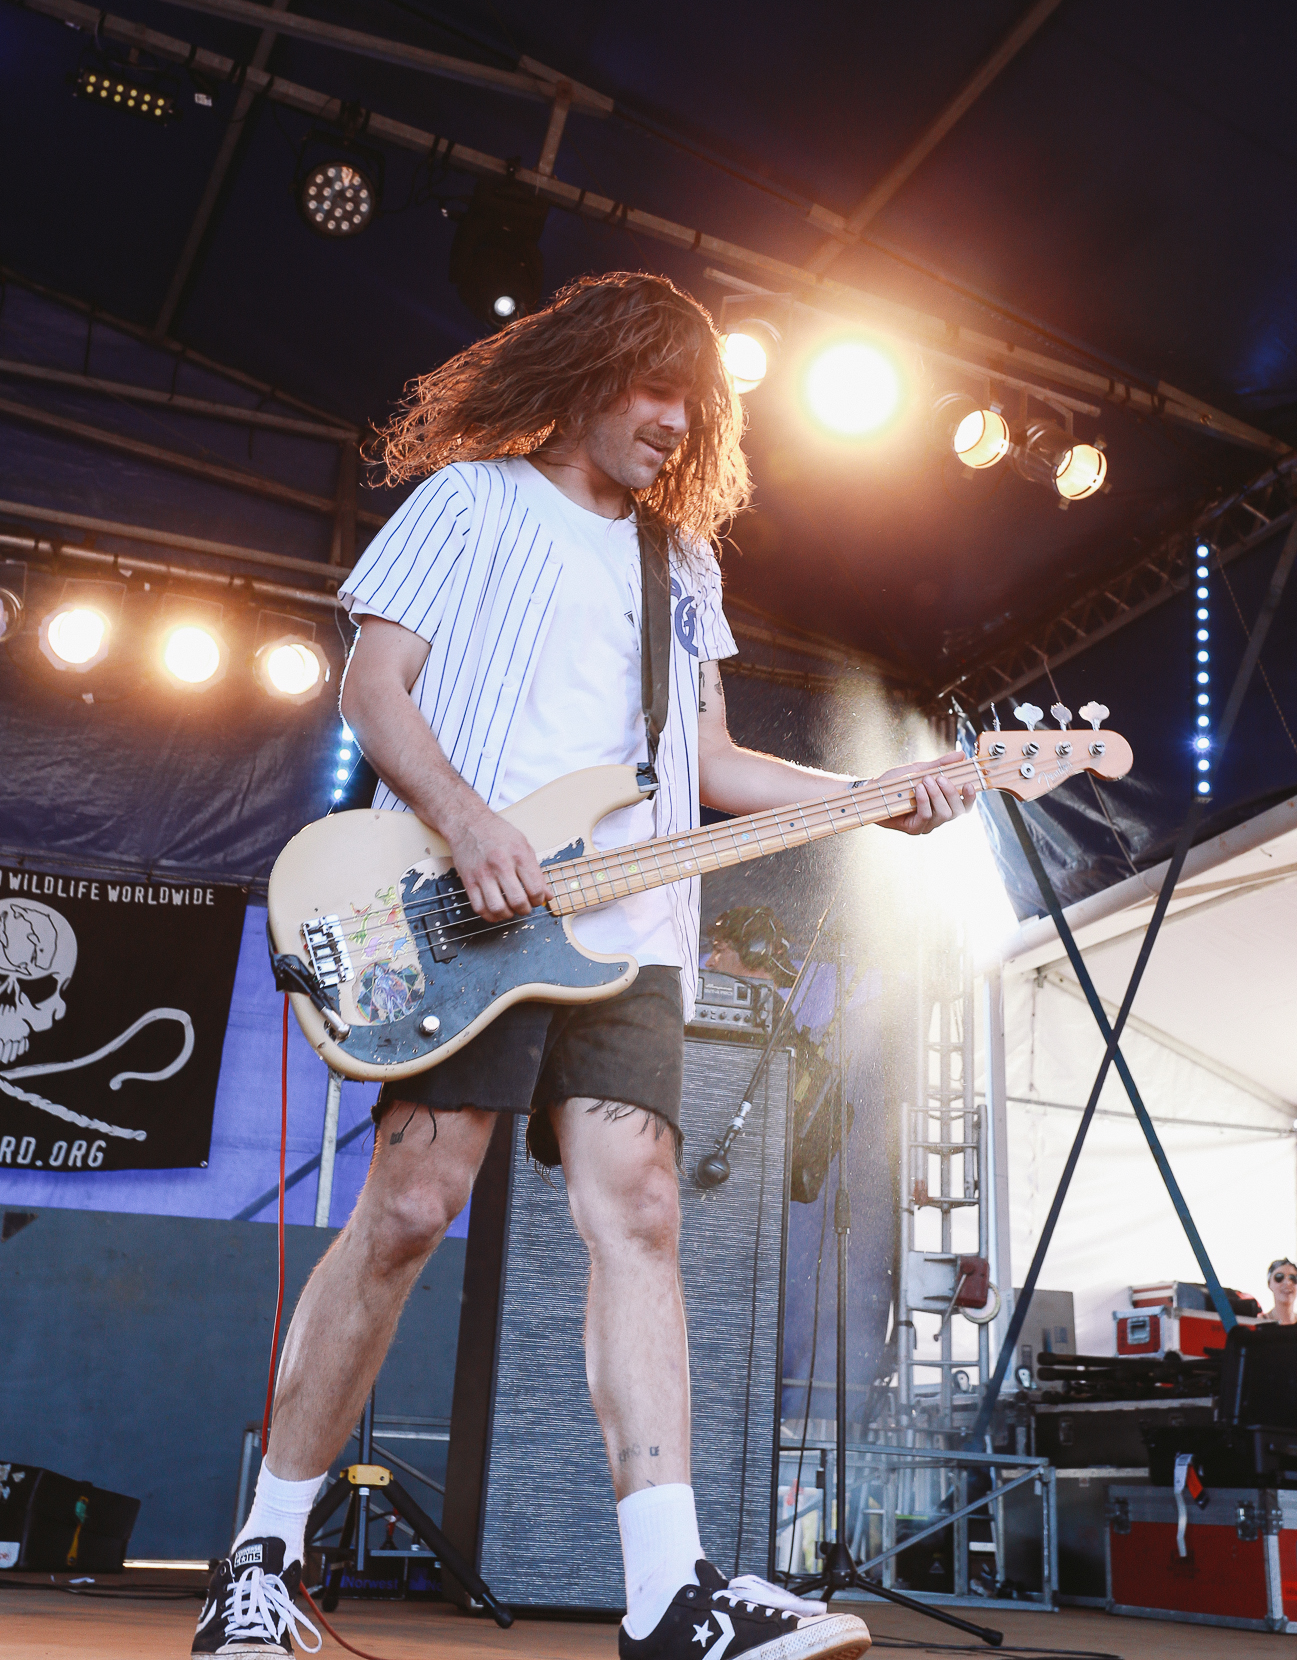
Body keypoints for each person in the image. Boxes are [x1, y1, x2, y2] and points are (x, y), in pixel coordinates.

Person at [193, 272, 976, 1658]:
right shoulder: (469, 502)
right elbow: (373, 689)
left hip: (633, 934)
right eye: (653, 389)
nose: (675, 422)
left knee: (645, 1214)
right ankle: (264, 1552)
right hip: (462, 909)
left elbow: (711, 759)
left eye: (696, 404)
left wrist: (874, 797)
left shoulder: (682, 564)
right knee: (411, 1208)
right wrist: (471, 825)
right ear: (582, 375)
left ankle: (669, 1595)